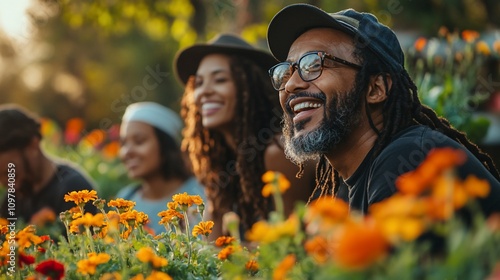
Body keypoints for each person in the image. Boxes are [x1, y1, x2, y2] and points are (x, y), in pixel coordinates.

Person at [265, 4, 500, 216]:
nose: (291, 84)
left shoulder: (408, 160)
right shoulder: (343, 185)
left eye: (314, 64)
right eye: (286, 71)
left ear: (375, 88)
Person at [175, 33, 316, 238]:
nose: (204, 92)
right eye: (199, 83)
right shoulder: (220, 161)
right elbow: (211, 245)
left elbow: (289, 247)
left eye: (220, 80)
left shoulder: (279, 152)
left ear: (249, 88)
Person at [116, 101, 206, 234]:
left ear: (166, 145)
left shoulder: (202, 196)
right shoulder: (125, 200)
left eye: (139, 141)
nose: (127, 152)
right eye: (123, 143)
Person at [0, 104, 97, 224]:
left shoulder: (74, 190)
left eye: (10, 172)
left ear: (33, 145)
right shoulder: (14, 197)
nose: (7, 184)